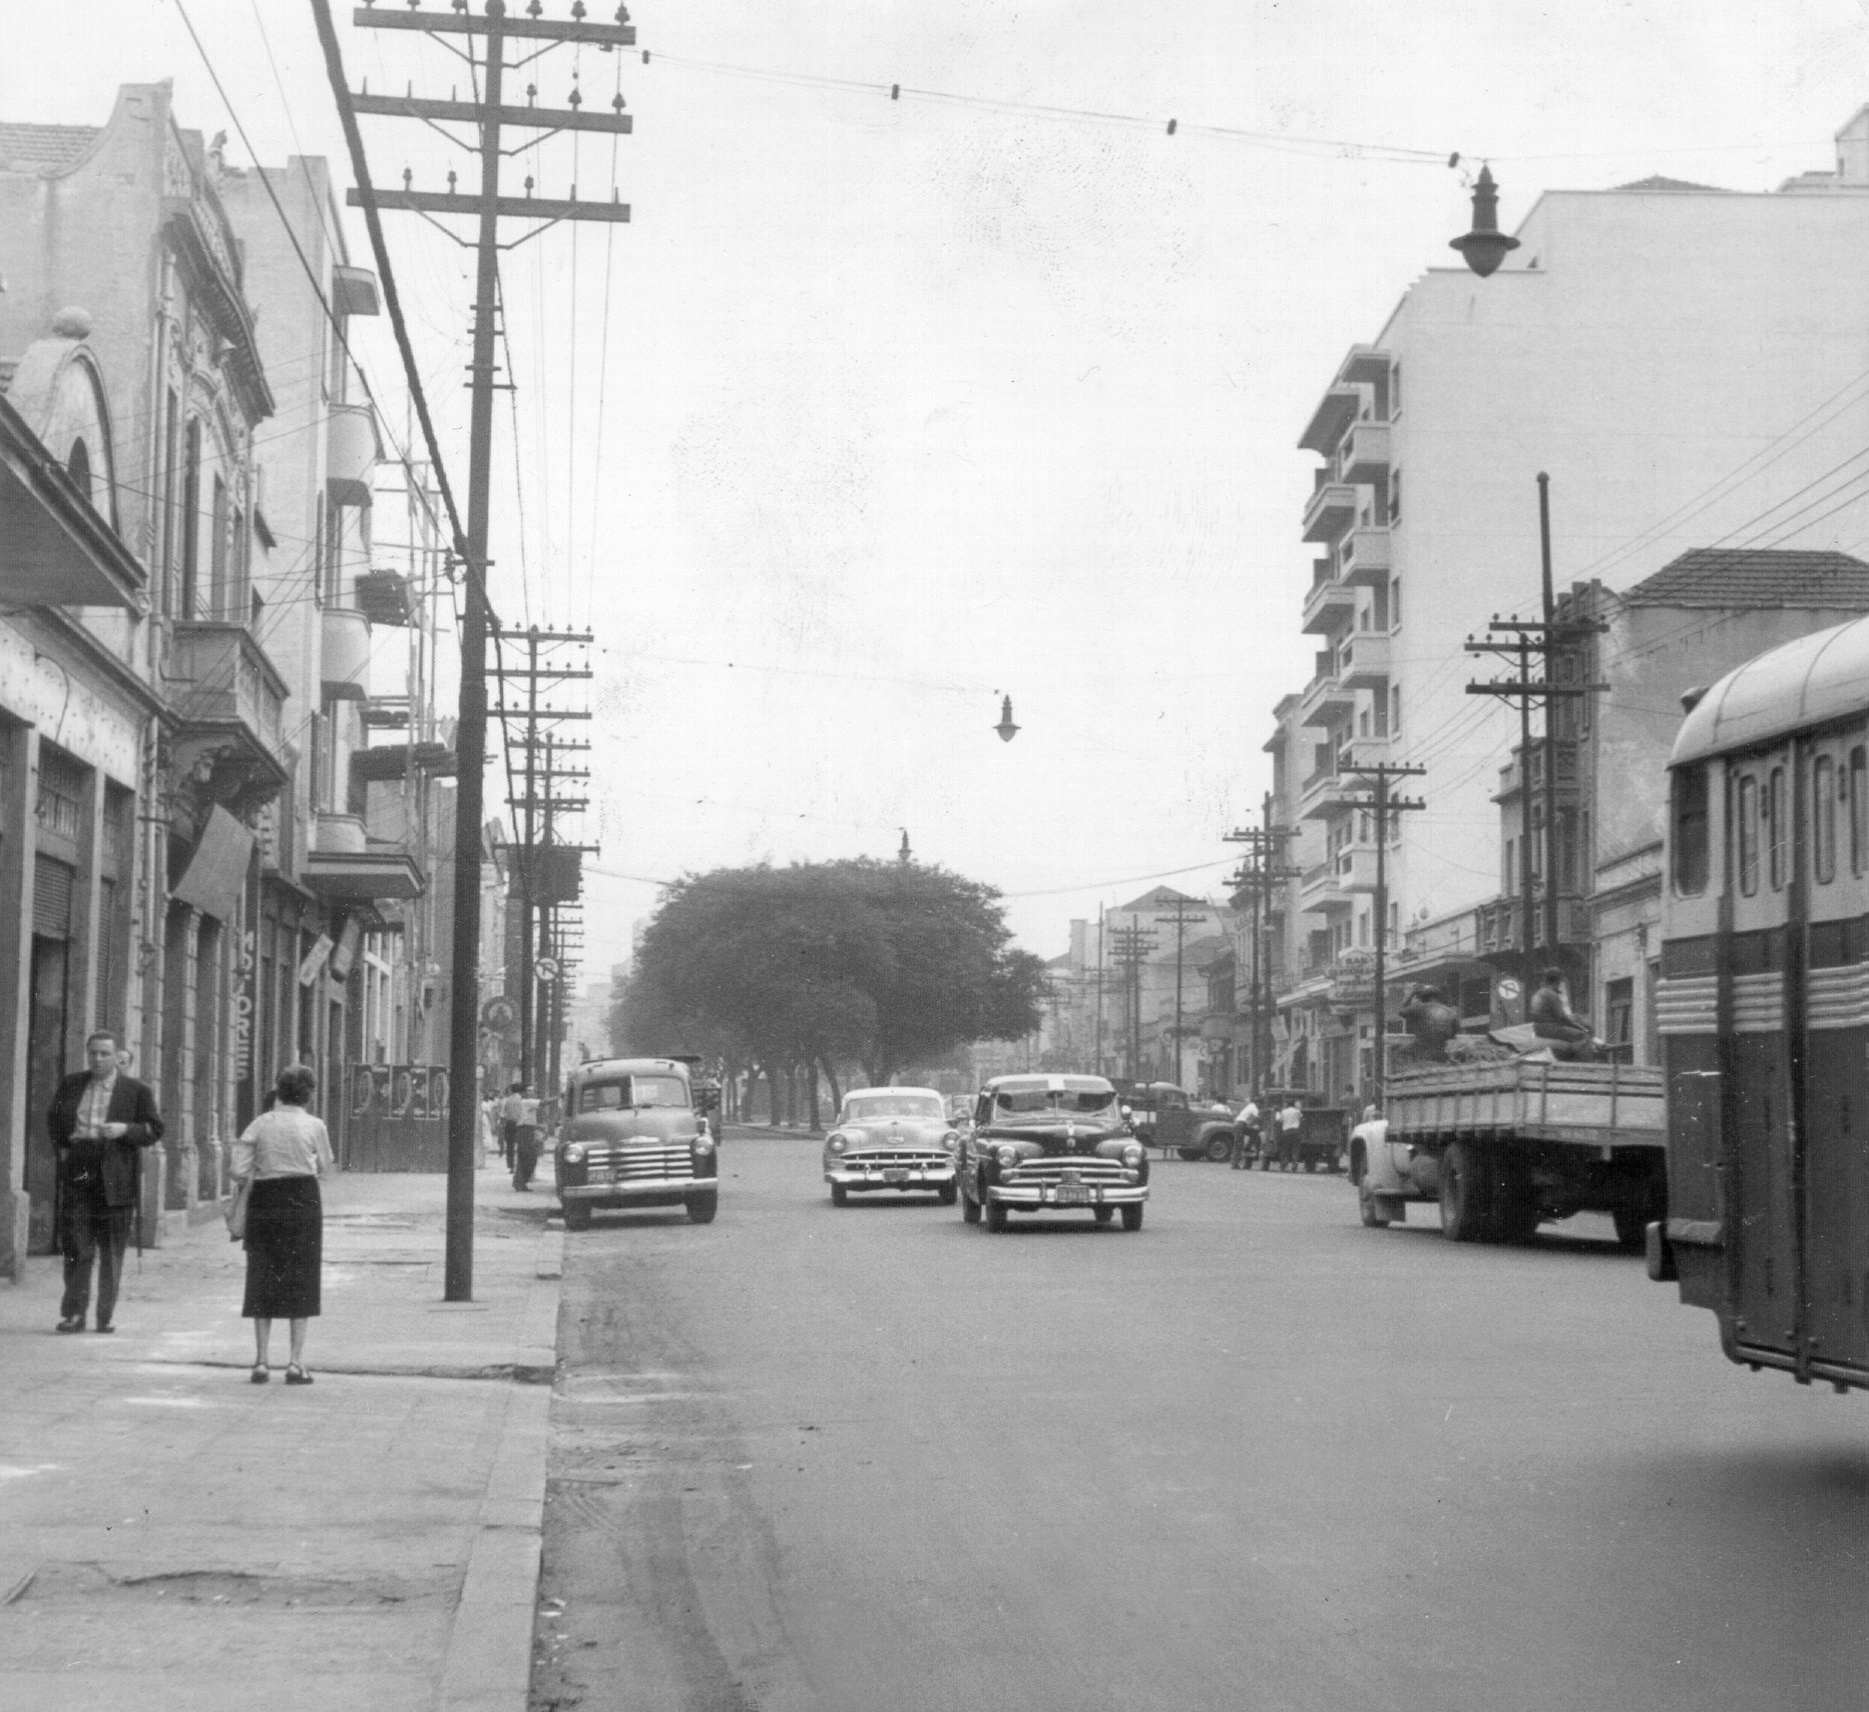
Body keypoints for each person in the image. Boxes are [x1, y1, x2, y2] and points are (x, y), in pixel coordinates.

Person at [49, 1029, 164, 1334]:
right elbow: (54, 1118)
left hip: (116, 1172)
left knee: (112, 1250)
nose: (98, 1059)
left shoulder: (135, 1090)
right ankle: (74, 1314)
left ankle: (104, 1316)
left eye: (104, 1054)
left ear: (116, 1057)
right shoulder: (72, 1084)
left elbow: (154, 1128)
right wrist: (63, 1150)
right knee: (77, 1245)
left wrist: (125, 1129)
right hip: (81, 1169)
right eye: (93, 1053)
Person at [233, 1064, 333, 1385]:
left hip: (265, 1200)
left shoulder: (260, 1123)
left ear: (278, 1090)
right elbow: (326, 1167)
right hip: (303, 1200)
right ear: (310, 1094)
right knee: (301, 1276)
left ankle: (261, 1361)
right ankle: (294, 1362)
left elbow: (238, 1169)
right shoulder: (314, 1125)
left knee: (261, 1273)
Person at [1530, 968, 1595, 1061]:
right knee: (1582, 1036)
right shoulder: (1551, 995)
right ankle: (1585, 1067)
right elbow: (1563, 1018)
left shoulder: (1538, 994)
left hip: (1538, 1029)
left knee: (1573, 1032)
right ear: (1558, 981)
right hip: (1550, 1028)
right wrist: (1582, 1028)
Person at [1400, 985, 1461, 1061]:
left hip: (1421, 1049)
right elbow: (1454, 1033)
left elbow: (1401, 1010)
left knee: (1400, 1052)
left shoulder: (1419, 1007)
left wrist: (1412, 993)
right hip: (1441, 1052)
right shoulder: (1451, 1012)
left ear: (1423, 997)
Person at [512, 1087, 542, 1191]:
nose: (530, 1092)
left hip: (527, 1130)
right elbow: (544, 1102)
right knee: (530, 1158)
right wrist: (558, 1097)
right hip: (525, 1131)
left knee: (524, 1158)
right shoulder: (526, 1102)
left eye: (532, 1090)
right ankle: (521, 1182)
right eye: (528, 1090)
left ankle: (520, 1182)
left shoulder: (528, 1103)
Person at [498, 1081, 525, 1172]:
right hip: (520, 1124)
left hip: (509, 1124)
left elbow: (503, 1114)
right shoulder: (522, 1100)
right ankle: (520, 1166)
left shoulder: (507, 1100)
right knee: (521, 1145)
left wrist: (501, 1126)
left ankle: (511, 1166)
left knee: (510, 1146)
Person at [1231, 1094, 1262, 1170]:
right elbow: (1258, 1116)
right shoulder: (1254, 1107)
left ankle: (1247, 1147)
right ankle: (1235, 1164)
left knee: (1254, 1133)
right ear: (1258, 1103)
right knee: (1238, 1144)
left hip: (1238, 1124)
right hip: (1240, 1125)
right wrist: (1258, 1124)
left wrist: (1251, 1125)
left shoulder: (1249, 1106)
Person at [1276, 1098, 1304, 1169]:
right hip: (1295, 1131)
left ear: (1287, 1104)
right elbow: (1301, 1118)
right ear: (1294, 1104)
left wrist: (1277, 1113)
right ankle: (1295, 1163)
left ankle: (1284, 1163)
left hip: (1286, 1132)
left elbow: (1280, 1120)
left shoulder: (1283, 1111)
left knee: (1285, 1148)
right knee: (1295, 1149)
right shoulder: (1297, 1111)